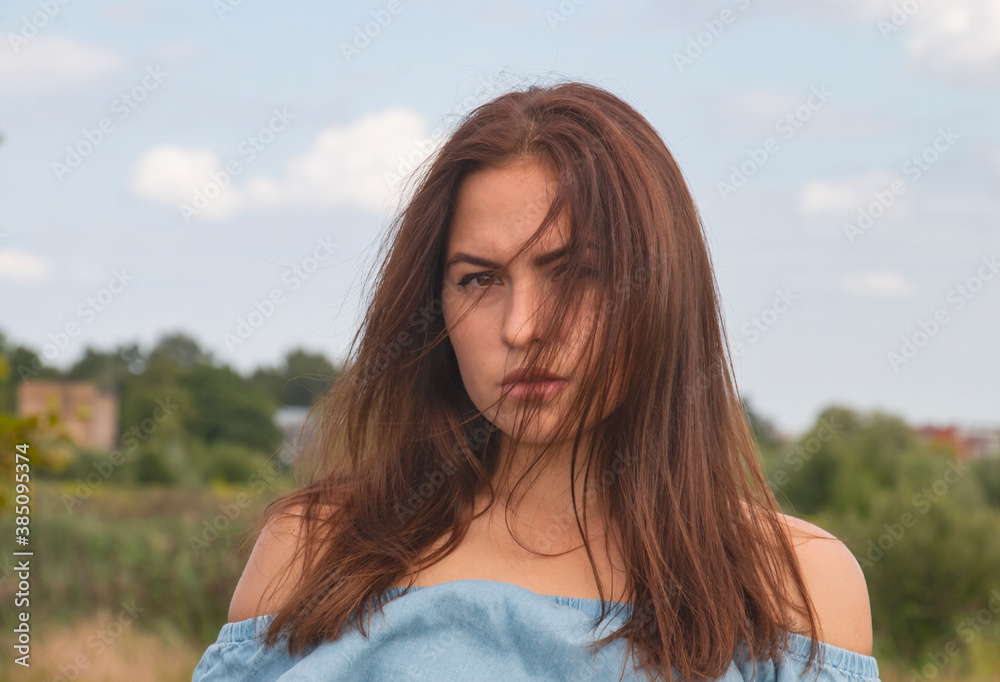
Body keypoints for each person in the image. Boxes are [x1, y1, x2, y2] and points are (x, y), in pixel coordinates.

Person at [193, 80, 880, 681]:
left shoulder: (795, 589)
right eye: (479, 279)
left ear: (660, 290)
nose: (522, 327)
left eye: (574, 273)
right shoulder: (315, 553)